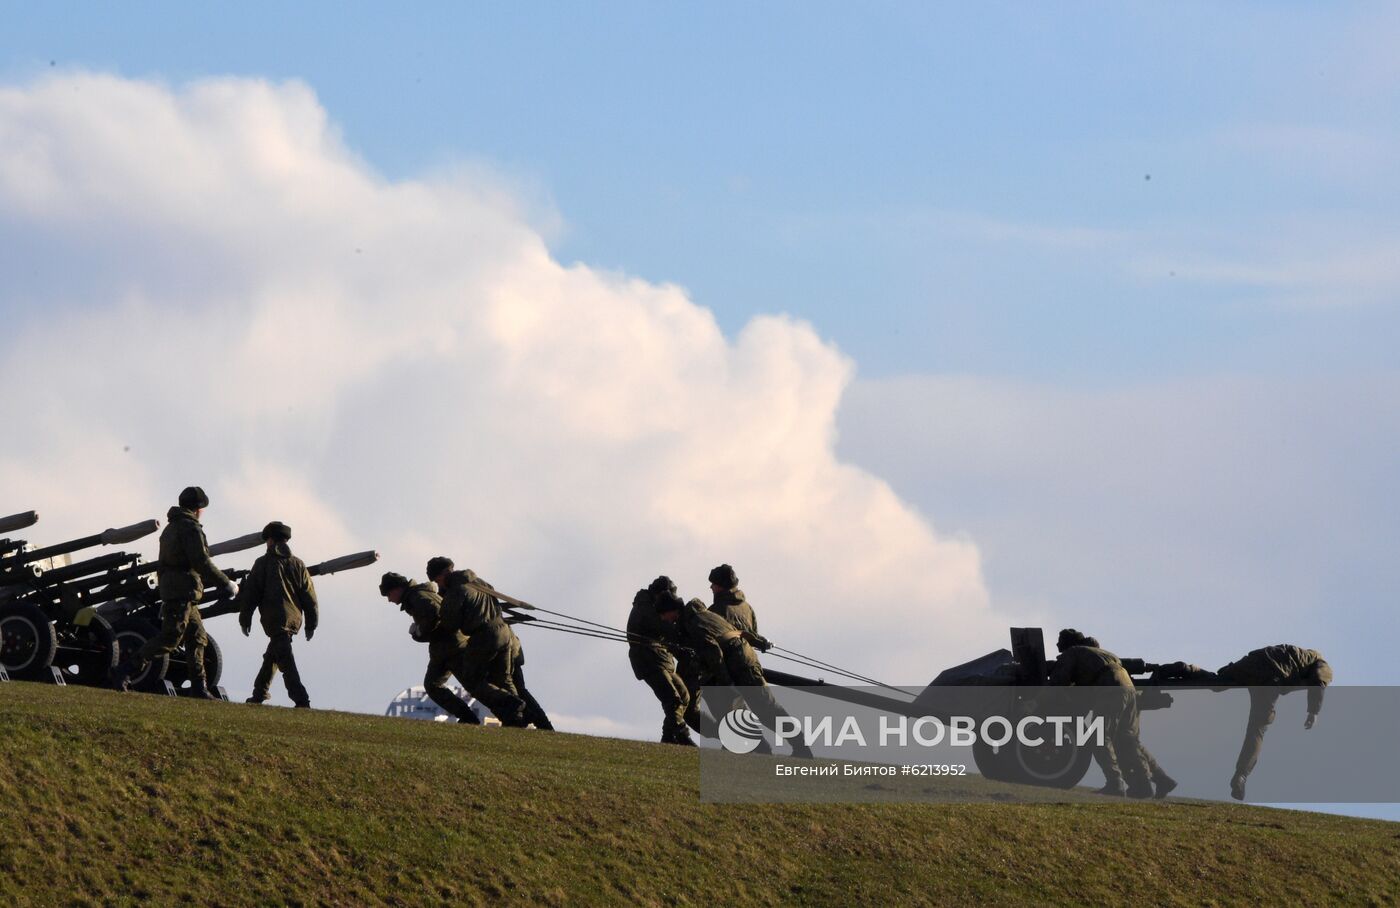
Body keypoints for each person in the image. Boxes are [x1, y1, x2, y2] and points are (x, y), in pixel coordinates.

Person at [1159, 645, 1331, 800]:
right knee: (1257, 729)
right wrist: (1313, 712)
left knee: (1218, 682)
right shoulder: (1322, 664)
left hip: (1253, 661)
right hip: (1271, 676)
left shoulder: (1297, 654)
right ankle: (1241, 776)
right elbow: (1319, 681)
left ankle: (1185, 670)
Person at [112, 486, 236, 698]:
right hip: (182, 590)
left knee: (197, 638)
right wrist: (225, 583)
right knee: (170, 638)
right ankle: (125, 670)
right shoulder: (190, 528)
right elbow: (201, 561)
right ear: (199, 508)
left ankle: (199, 687)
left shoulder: (173, 527)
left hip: (182, 590)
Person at [657, 594, 813, 759]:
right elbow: (734, 630)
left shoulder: (692, 624)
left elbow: (713, 652)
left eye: (663, 615)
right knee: (761, 708)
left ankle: (794, 746)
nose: (663, 620)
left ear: (671, 612)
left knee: (762, 708)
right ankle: (782, 746)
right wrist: (759, 641)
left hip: (736, 662)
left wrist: (726, 683)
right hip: (745, 656)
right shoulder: (704, 614)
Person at [379, 571, 523, 726]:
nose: (389, 599)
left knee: (470, 684)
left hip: (451, 648)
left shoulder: (418, 598)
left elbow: (435, 616)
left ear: (396, 589)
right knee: (444, 685)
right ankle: (496, 713)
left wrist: (419, 632)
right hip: (446, 648)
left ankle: (508, 704)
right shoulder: (418, 595)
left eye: (388, 594)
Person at [1055, 630, 1177, 799]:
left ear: (1069, 642)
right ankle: (1159, 780)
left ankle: (1115, 783)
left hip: (1110, 689)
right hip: (1128, 688)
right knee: (1127, 739)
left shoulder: (1073, 652)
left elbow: (1058, 682)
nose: (1057, 645)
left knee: (1098, 736)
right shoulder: (1102, 653)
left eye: (1060, 641)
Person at [423, 558, 531, 728]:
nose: (438, 584)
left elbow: (451, 623)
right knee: (504, 679)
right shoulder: (479, 582)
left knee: (472, 679)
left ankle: (511, 703)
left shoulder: (456, 591)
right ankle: (517, 720)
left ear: (443, 574)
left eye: (437, 580)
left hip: (484, 636)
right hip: (504, 632)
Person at [236, 521, 317, 708]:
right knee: (273, 656)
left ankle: (301, 699)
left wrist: (244, 619)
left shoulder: (263, 563)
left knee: (286, 661)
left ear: (270, 541)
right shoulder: (298, 564)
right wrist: (311, 623)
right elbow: (309, 596)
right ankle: (259, 693)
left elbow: (251, 594)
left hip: (274, 619)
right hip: (294, 619)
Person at [627, 576, 694, 746]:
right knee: (672, 698)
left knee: (684, 696)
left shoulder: (654, 607)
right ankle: (681, 735)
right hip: (648, 660)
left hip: (662, 659)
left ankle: (668, 737)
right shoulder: (645, 607)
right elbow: (664, 629)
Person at [707, 564, 759, 638]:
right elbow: (755, 637)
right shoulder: (748, 609)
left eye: (714, 584)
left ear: (721, 586)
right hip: (748, 649)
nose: (711, 587)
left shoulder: (716, 610)